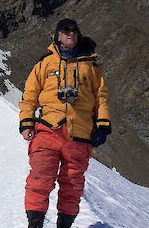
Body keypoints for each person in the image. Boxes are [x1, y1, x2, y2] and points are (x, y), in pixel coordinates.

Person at [19, 18, 111, 228]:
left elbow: (101, 97)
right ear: (58, 36)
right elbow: (30, 95)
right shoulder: (45, 63)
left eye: (73, 30)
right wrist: (26, 122)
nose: (70, 33)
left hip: (79, 134)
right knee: (40, 179)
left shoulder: (91, 67)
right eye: (65, 30)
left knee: (72, 185)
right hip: (48, 129)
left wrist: (103, 124)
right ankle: (34, 225)